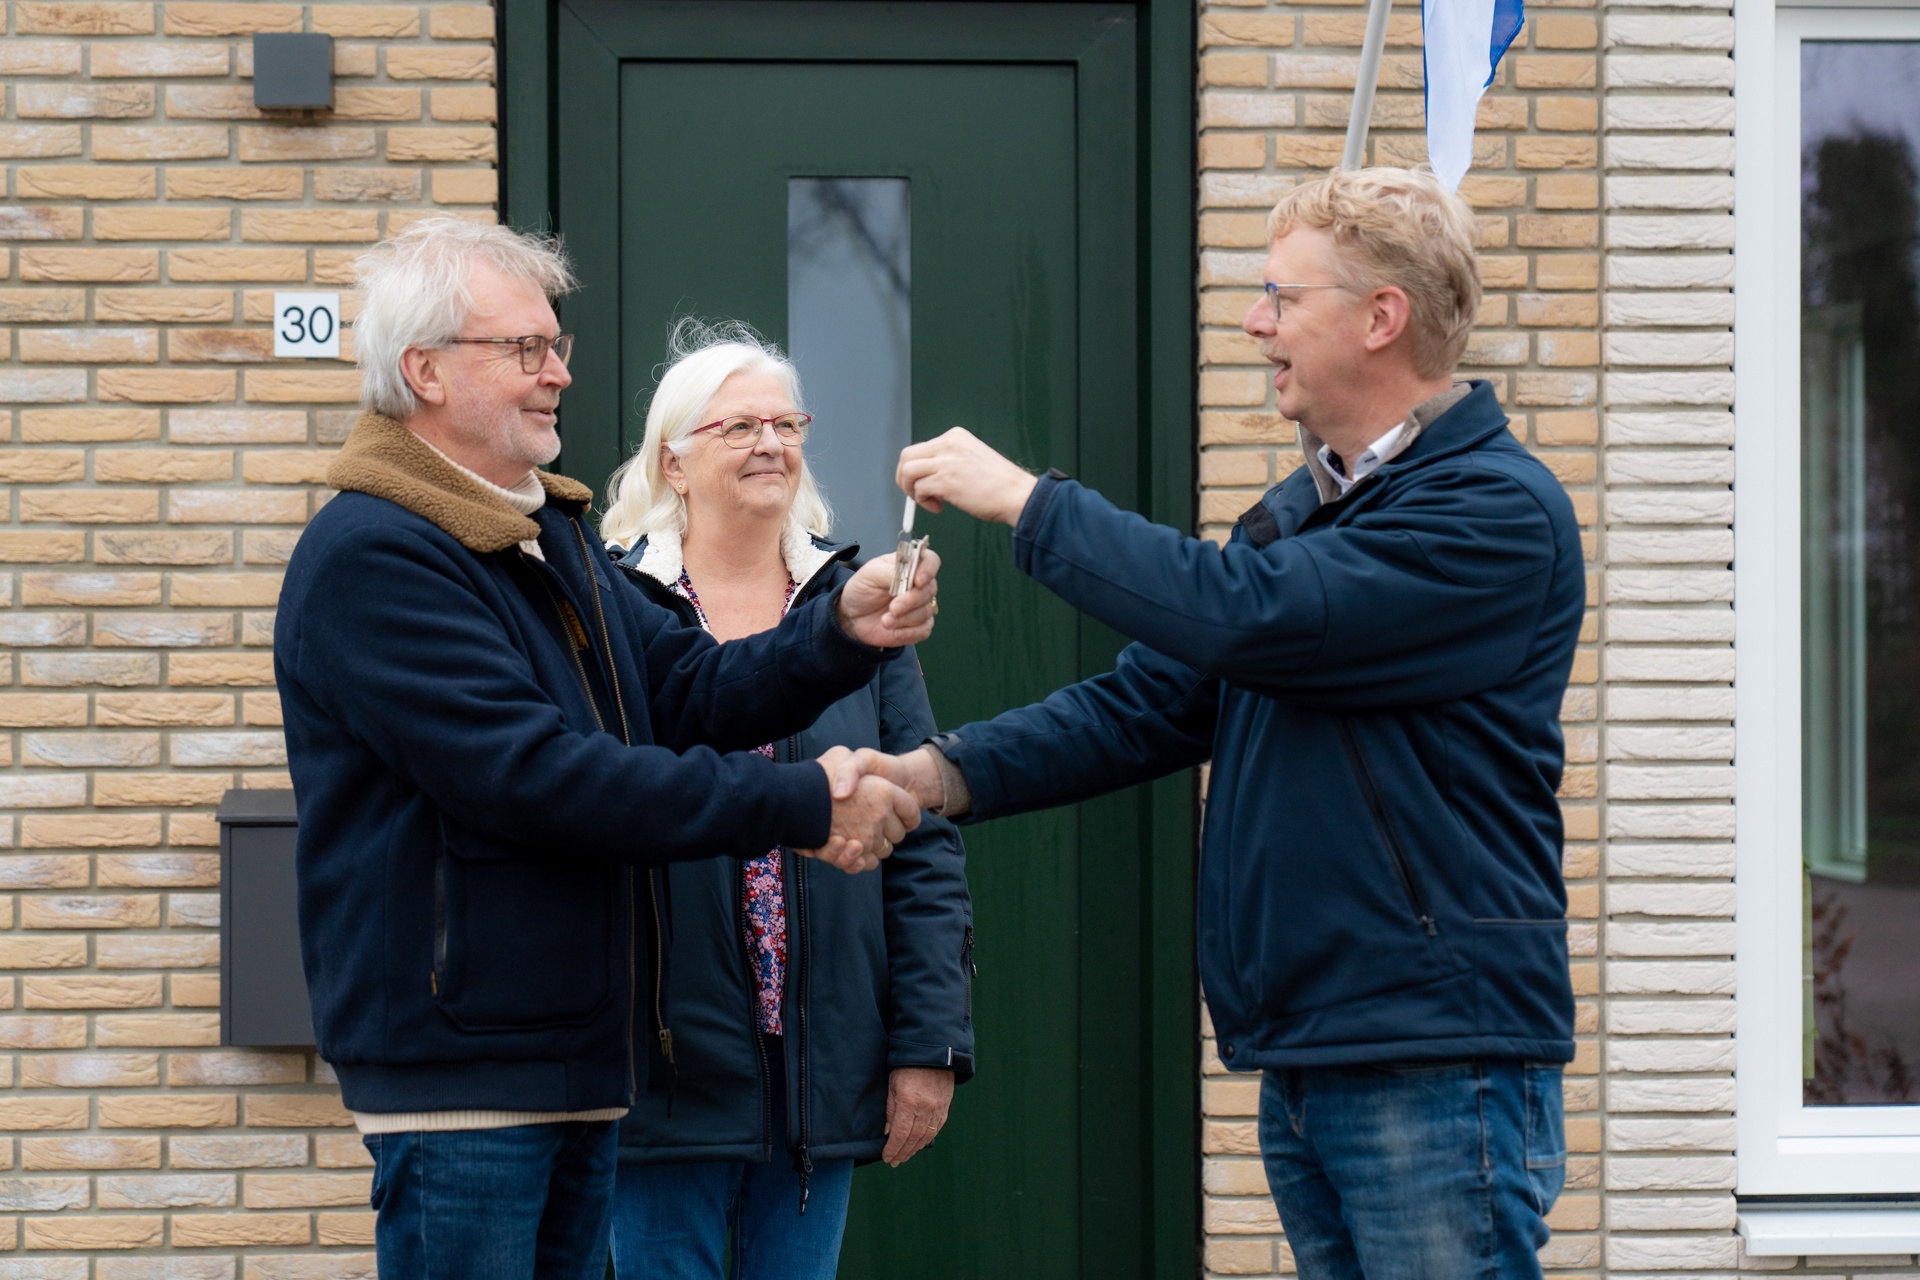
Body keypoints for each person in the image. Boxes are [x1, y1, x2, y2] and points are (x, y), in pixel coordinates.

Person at [876, 168, 1584, 1279]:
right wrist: (929, 776)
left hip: (1437, 1052)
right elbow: (1148, 702)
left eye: (1281, 297)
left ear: (1381, 316)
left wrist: (1027, 499)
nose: (1257, 323)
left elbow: (1244, 614)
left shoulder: (1490, 512)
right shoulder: (1323, 512)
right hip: (1322, 1048)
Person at [274, 218, 939, 1280]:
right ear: (425, 371)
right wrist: (801, 805)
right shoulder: (378, 555)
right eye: (525, 349)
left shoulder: (551, 537)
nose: (558, 374)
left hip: (578, 1062)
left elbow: (684, 687)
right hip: (466, 1080)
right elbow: (539, 778)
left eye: (558, 345)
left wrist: (837, 634)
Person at [597, 321, 973, 1280]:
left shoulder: (851, 612)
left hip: (817, 1064)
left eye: (786, 423)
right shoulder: (615, 606)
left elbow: (922, 838)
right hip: (659, 1067)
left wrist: (928, 1044)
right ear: (673, 462)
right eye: (738, 426)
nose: (770, 442)